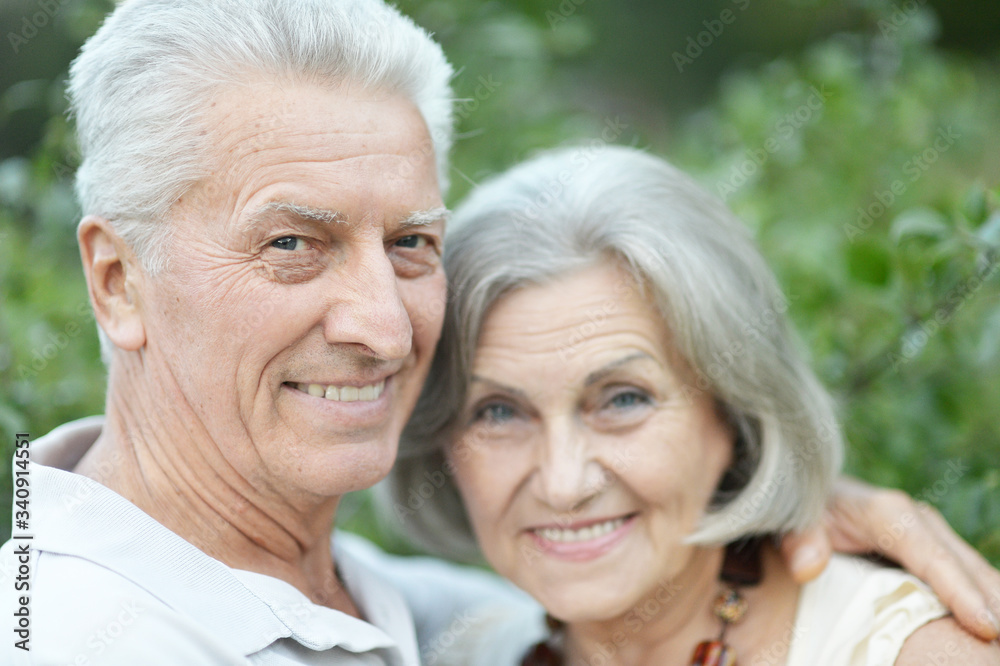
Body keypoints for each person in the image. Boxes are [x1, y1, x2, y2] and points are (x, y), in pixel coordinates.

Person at [1, 0, 997, 664]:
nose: (383, 327)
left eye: (409, 242)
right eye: (294, 243)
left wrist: (780, 503)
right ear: (119, 280)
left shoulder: (430, 618)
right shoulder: (71, 635)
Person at [384, 145, 1000, 665]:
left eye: (623, 400)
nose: (564, 484)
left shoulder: (915, 652)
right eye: (498, 412)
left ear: (734, 413)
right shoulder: (456, 647)